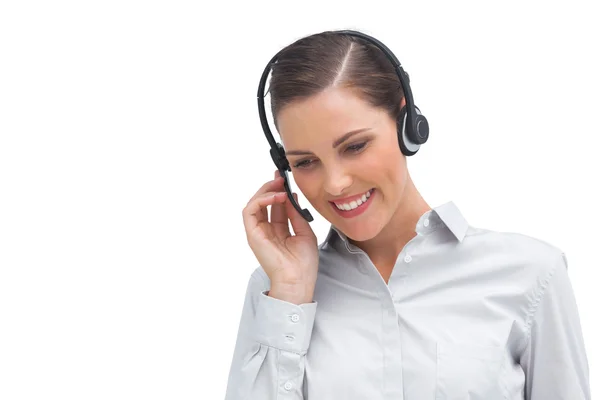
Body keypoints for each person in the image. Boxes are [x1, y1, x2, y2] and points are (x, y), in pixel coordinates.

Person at [224, 30, 591, 400]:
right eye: (305, 162)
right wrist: (289, 295)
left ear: (407, 125)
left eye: (354, 146)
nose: (335, 184)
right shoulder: (275, 292)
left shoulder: (530, 274)